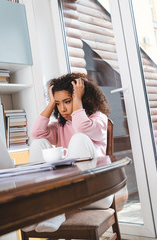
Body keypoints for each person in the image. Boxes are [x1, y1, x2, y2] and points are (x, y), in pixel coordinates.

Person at [23, 73, 113, 233]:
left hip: (97, 192)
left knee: (79, 138)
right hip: (68, 194)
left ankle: (55, 208)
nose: (62, 108)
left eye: (67, 101)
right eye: (58, 103)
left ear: (82, 98)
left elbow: (82, 127)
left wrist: (78, 99)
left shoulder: (99, 119)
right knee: (38, 143)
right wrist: (51, 103)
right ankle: (45, 206)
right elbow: (36, 133)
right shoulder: (60, 126)